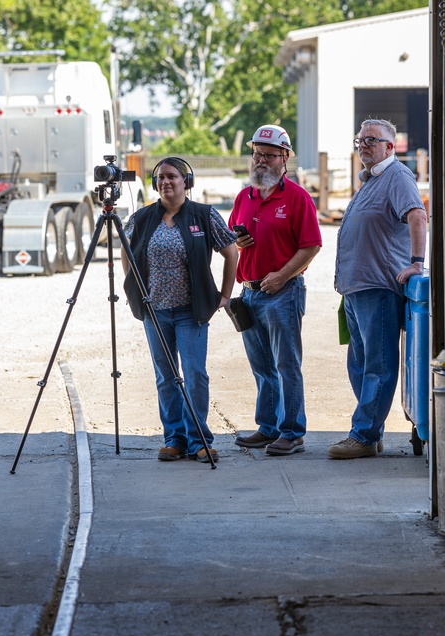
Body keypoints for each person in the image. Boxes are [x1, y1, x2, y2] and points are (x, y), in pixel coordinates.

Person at [121, 157, 238, 463]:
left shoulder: (204, 215)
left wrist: (224, 295)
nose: (166, 182)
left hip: (191, 310)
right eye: (160, 177)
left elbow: (230, 252)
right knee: (166, 376)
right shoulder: (143, 217)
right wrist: (134, 287)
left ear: (187, 181)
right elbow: (126, 248)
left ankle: (199, 440)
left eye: (172, 176)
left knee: (195, 374)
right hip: (155, 312)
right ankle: (174, 438)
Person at [329, 118, 428, 460]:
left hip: (379, 286)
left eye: (372, 140)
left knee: (378, 365)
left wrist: (417, 261)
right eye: (360, 141)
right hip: (357, 288)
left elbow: (417, 216)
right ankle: (371, 432)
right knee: (359, 364)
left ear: (390, 146)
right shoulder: (371, 181)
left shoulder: (397, 176)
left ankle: (365, 434)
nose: (364, 145)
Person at [229, 125, 322, 456]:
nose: (261, 161)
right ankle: (268, 427)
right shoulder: (245, 197)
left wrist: (282, 276)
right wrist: (236, 242)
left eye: (269, 155)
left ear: (285, 158)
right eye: (257, 154)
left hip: (283, 293)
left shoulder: (297, 198)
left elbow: (311, 246)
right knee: (262, 366)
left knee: (286, 365)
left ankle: (292, 431)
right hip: (250, 293)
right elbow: (229, 240)